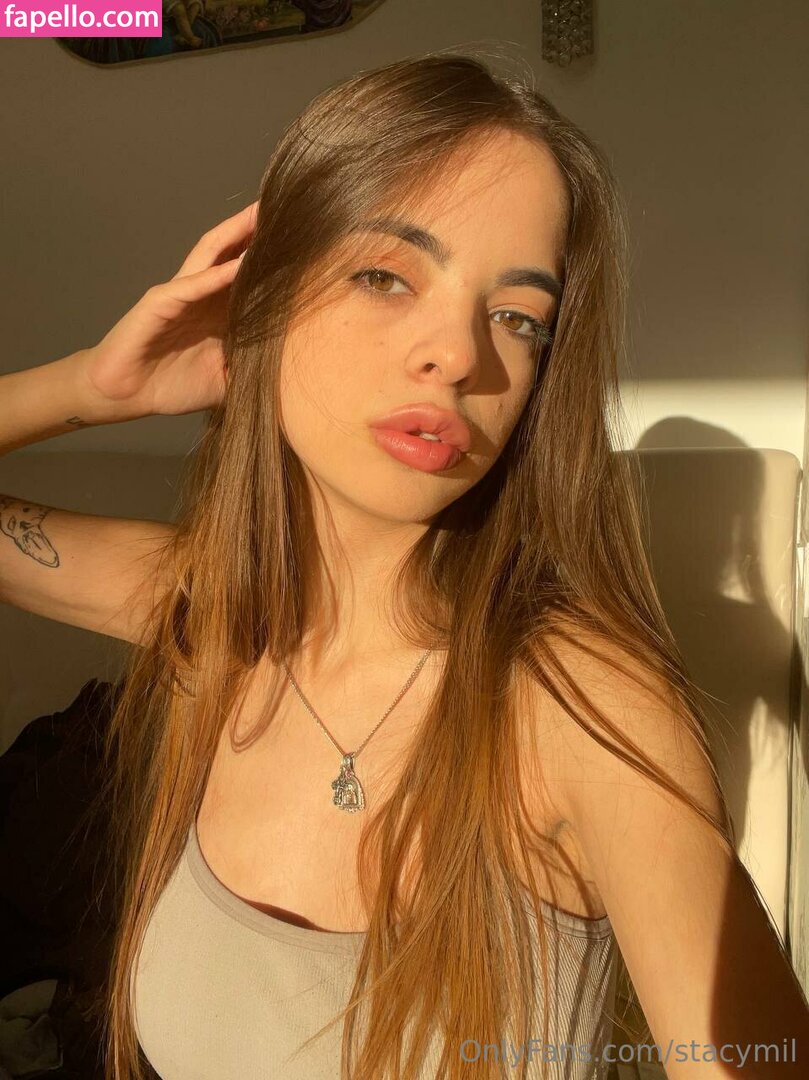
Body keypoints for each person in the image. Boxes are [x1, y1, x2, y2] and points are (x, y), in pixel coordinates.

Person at [1, 50, 807, 1080]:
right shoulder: (215, 614)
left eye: (517, 317)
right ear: (264, 302)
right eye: (385, 276)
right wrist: (94, 384)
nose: (459, 354)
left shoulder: (574, 707)